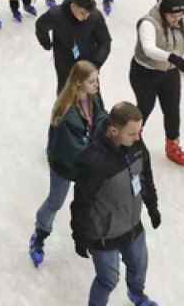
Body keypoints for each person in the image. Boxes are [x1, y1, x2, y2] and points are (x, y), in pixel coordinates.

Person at [70, 102, 161, 306]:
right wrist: (79, 236)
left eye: (140, 132)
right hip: (103, 236)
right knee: (107, 280)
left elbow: (145, 176)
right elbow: (81, 203)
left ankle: (137, 294)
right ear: (113, 131)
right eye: (132, 133)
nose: (138, 138)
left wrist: (152, 206)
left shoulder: (136, 144)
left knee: (139, 267)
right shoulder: (93, 161)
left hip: (133, 226)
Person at [28, 61, 108, 267]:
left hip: (86, 161)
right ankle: (39, 235)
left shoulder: (93, 97)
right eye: (92, 81)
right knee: (55, 201)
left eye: (97, 79)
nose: (97, 84)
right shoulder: (65, 113)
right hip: (65, 165)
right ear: (78, 83)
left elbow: (100, 117)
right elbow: (73, 150)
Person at [130, 0, 184, 167]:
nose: (177, 19)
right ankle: (130, 140)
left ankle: (172, 145)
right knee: (145, 107)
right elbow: (148, 48)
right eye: (172, 16)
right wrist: (172, 57)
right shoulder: (148, 23)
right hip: (145, 73)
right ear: (163, 11)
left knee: (172, 110)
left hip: (169, 73)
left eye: (179, 15)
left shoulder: (180, 19)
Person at [35, 0, 112, 92]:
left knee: (91, 95)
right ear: (73, 5)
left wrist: (96, 64)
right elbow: (40, 26)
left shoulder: (95, 16)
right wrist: (46, 44)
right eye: (82, 13)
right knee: (65, 92)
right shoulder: (57, 15)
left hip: (88, 62)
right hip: (65, 62)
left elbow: (105, 41)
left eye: (88, 13)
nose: (85, 17)